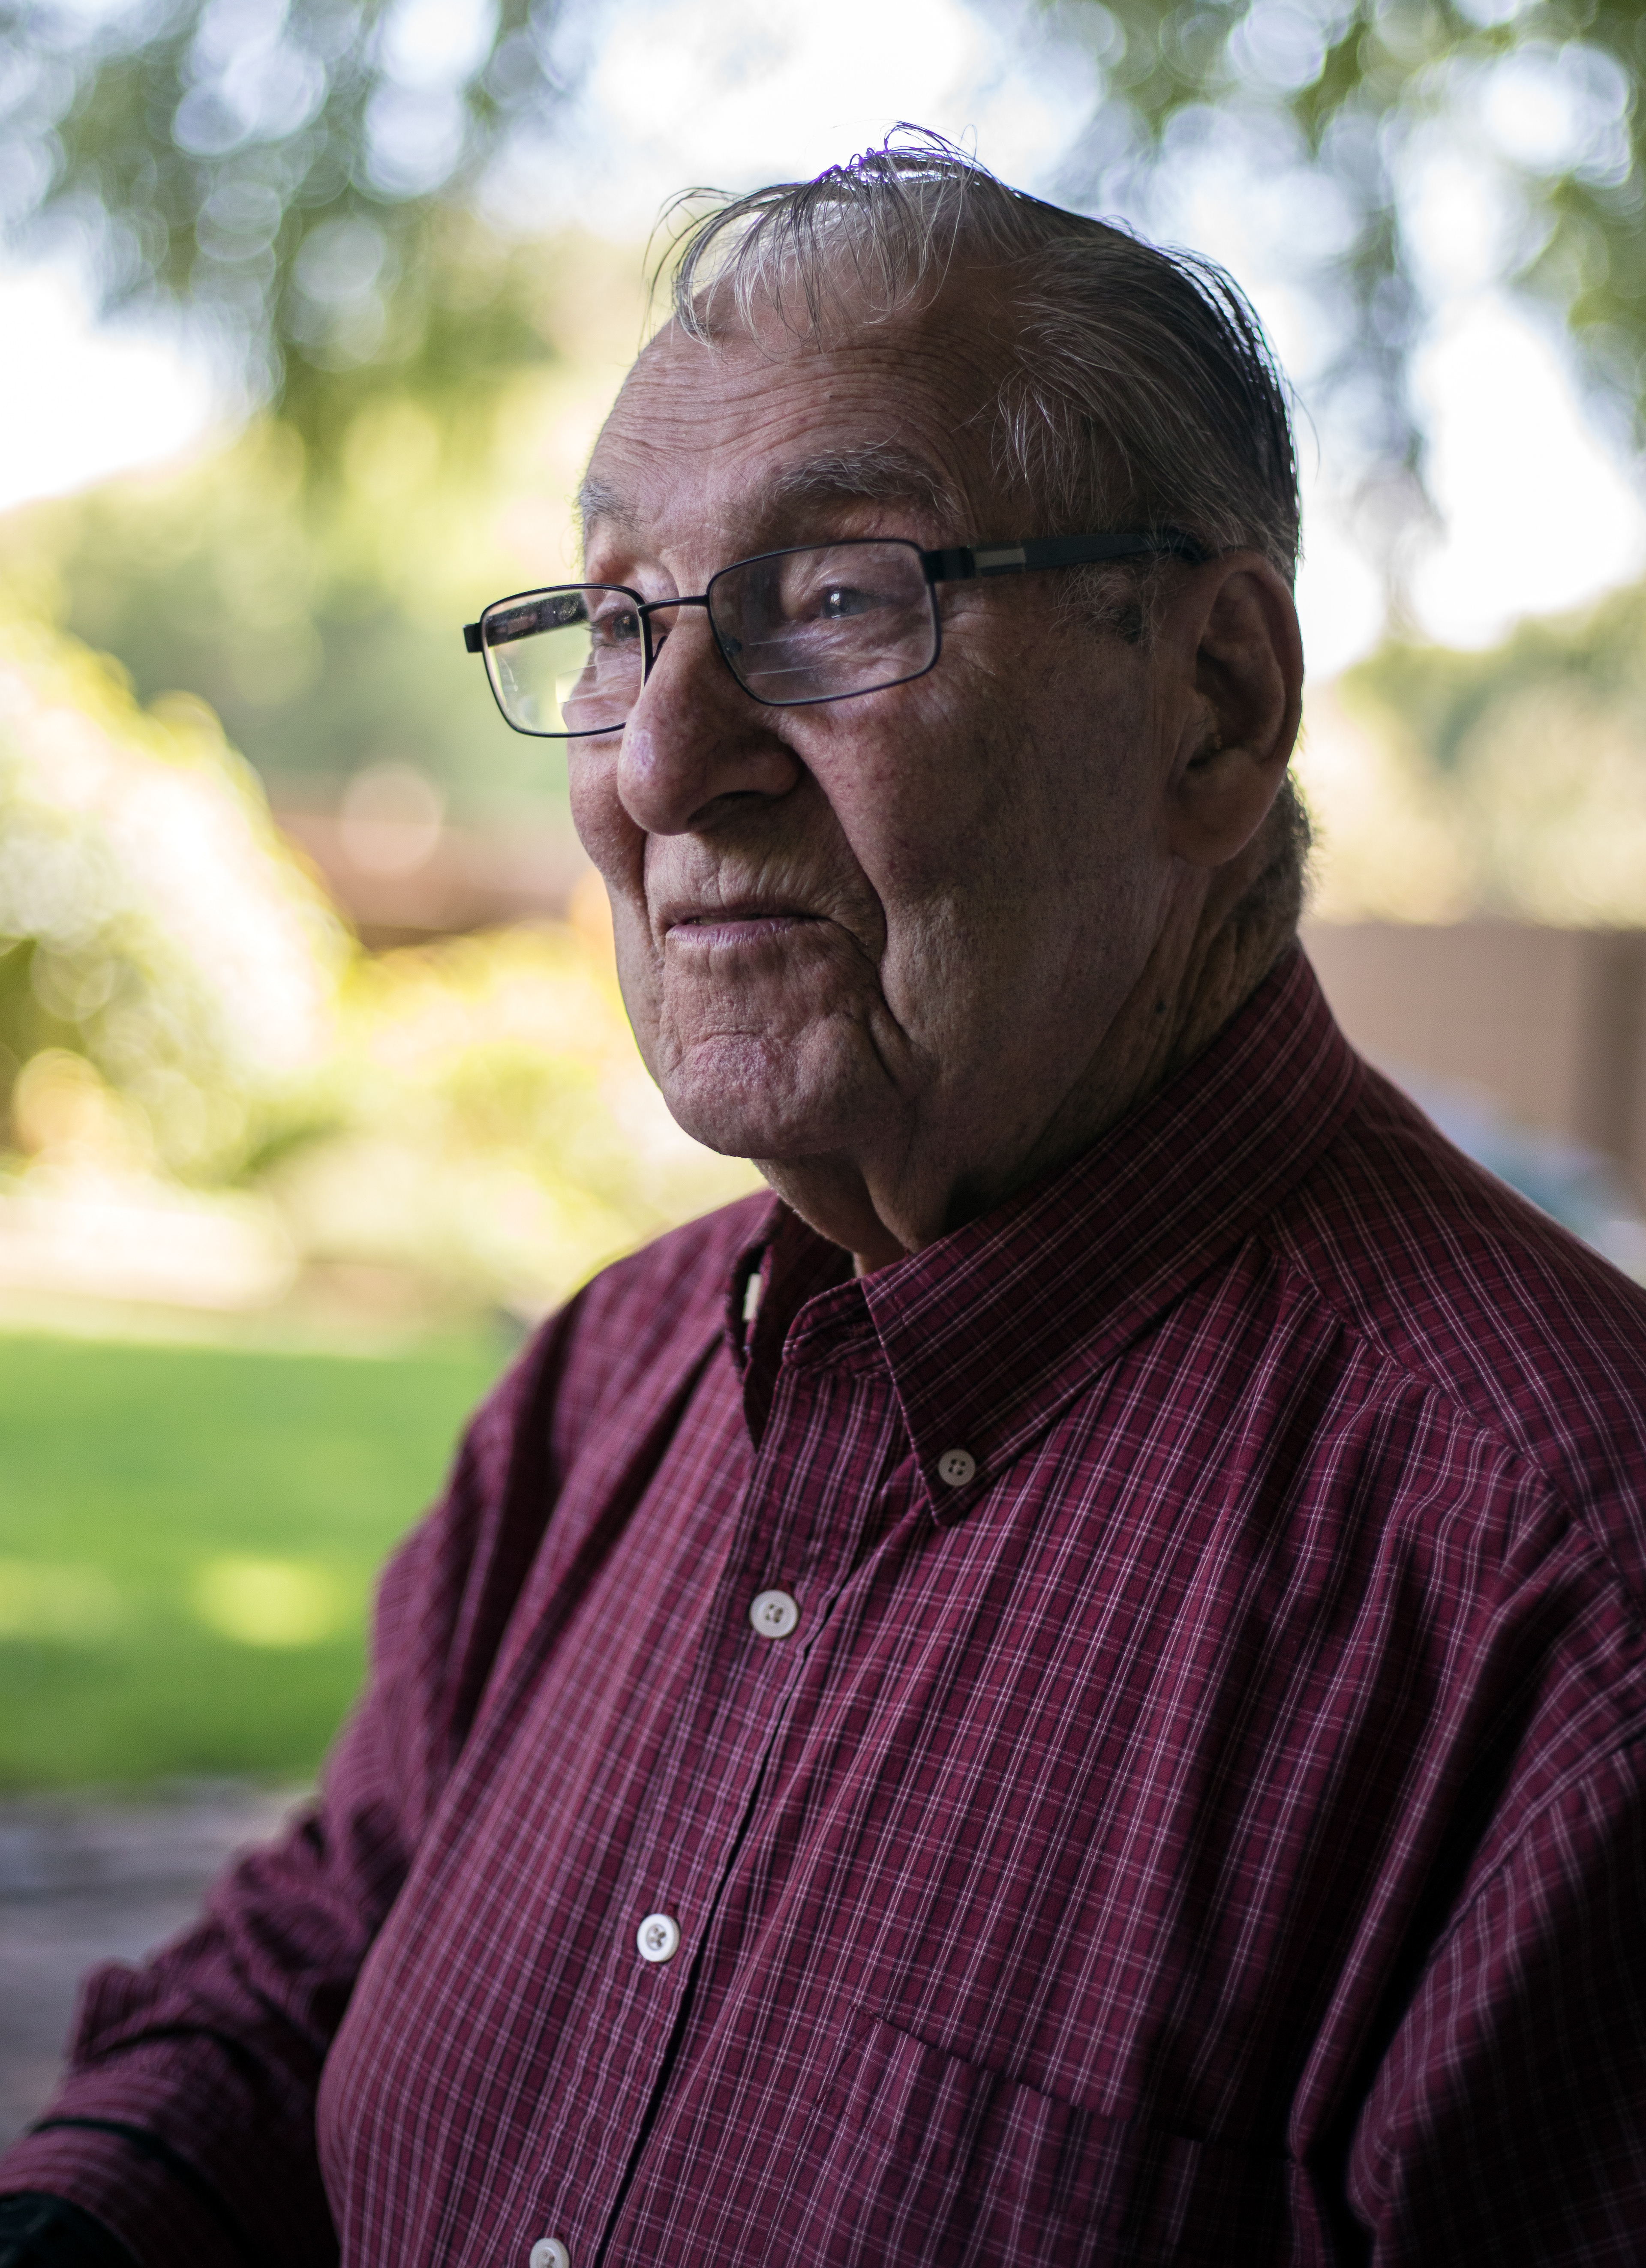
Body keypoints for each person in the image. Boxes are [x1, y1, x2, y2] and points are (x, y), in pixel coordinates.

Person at [3, 137, 1644, 2268]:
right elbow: (316, 1947)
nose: (663, 765)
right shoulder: (611, 1381)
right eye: (615, 621)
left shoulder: (1563, 1610)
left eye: (842, 596)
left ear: (1220, 705)